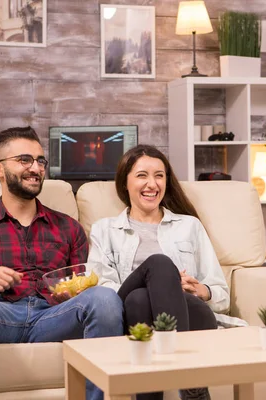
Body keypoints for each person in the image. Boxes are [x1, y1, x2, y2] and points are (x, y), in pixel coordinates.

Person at [0, 127, 123, 400]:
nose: (35, 168)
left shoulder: (69, 228)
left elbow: (83, 289)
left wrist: (72, 294)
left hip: (53, 317)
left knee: (104, 299)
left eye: (40, 160)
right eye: (24, 160)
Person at [87, 144, 229, 400]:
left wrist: (200, 290)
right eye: (142, 175)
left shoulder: (189, 226)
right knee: (159, 266)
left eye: (159, 176)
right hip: (125, 306)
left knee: (145, 299)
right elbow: (104, 289)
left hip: (187, 310)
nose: (152, 184)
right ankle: (191, 386)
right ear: (125, 182)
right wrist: (161, 278)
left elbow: (221, 292)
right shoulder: (105, 230)